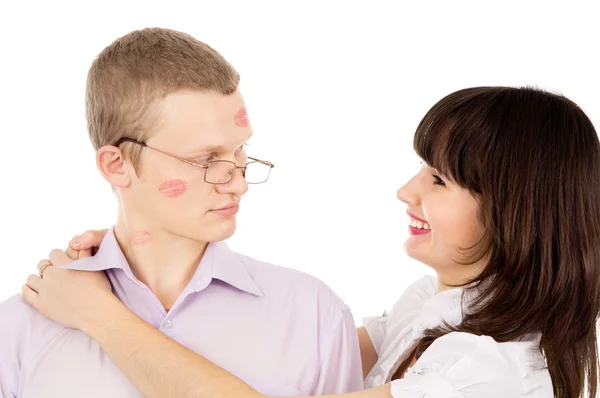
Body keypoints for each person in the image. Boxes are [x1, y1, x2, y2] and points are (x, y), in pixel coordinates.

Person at [23, 86, 600, 398]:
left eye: (439, 179)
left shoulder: (484, 373)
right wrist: (143, 251)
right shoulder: (433, 302)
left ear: (514, 214)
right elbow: (300, 346)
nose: (406, 190)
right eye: (420, 167)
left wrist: (99, 317)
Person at [0, 27, 364, 397]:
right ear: (116, 165)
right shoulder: (18, 330)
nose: (237, 183)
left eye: (239, 150)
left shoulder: (312, 316)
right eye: (205, 159)